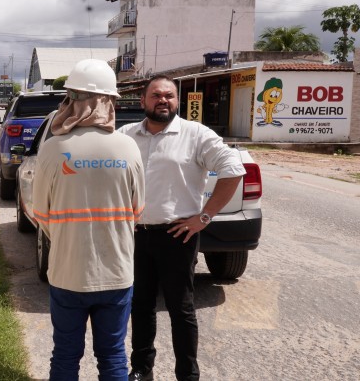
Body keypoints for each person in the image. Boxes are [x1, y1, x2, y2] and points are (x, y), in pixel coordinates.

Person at [119, 75, 246, 381]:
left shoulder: (195, 134)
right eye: (156, 95)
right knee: (141, 305)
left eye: (169, 96)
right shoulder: (124, 136)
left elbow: (233, 170)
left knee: (181, 308)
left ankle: (187, 374)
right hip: (135, 235)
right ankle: (141, 368)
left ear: (177, 101)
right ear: (143, 101)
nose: (163, 100)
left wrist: (204, 216)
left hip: (177, 236)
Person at [33, 59, 145, 380]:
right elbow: (137, 211)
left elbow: (41, 212)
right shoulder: (128, 147)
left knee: (65, 356)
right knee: (113, 357)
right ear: (108, 102)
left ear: (73, 101)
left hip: (68, 274)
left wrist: (69, 237)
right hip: (117, 275)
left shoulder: (54, 149)